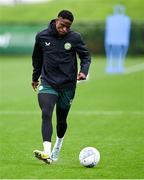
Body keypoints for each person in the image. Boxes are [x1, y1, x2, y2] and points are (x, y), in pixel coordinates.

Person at [32, 10, 91, 164]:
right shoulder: (42, 36)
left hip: (67, 85)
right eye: (62, 25)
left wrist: (84, 72)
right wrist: (35, 77)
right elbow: (37, 58)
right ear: (57, 20)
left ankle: (58, 145)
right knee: (46, 113)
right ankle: (47, 154)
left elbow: (85, 56)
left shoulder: (75, 37)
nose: (64, 29)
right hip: (48, 82)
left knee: (61, 120)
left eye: (68, 27)